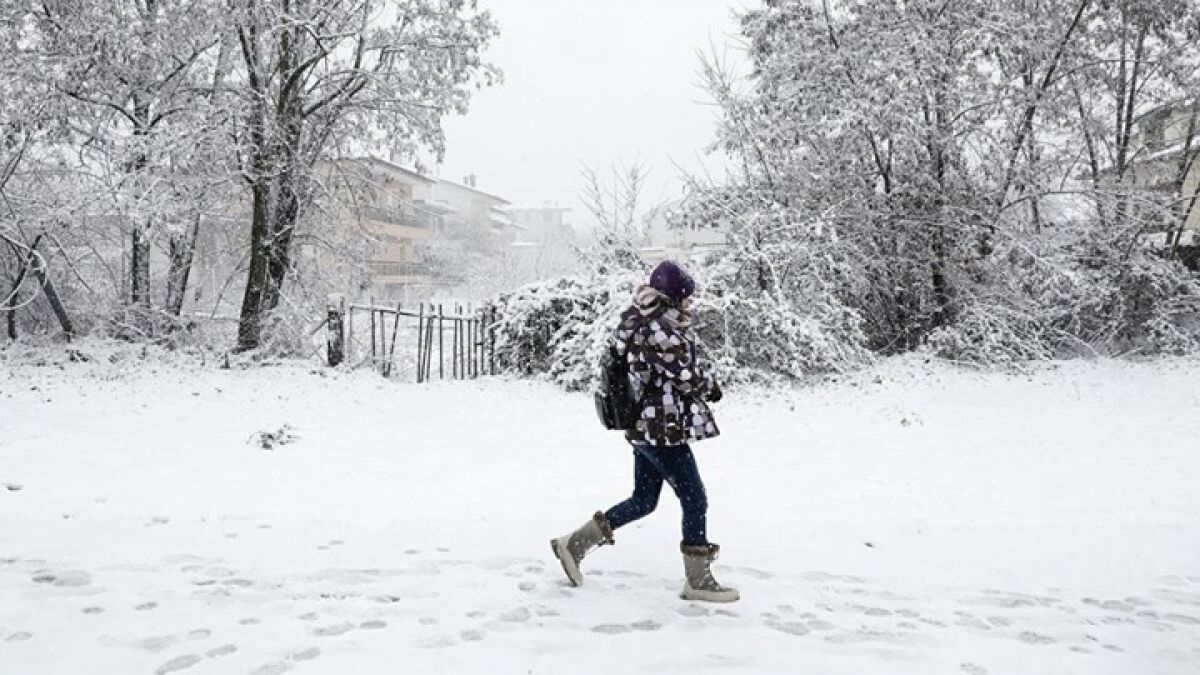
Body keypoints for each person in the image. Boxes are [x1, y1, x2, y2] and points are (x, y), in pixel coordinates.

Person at [551, 260, 738, 603]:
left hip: (645, 425)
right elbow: (684, 372)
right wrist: (709, 386)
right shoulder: (656, 329)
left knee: (644, 500)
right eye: (686, 298)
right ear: (671, 299)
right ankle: (698, 580)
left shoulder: (640, 322)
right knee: (694, 498)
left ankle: (573, 545)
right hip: (660, 428)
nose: (690, 304)